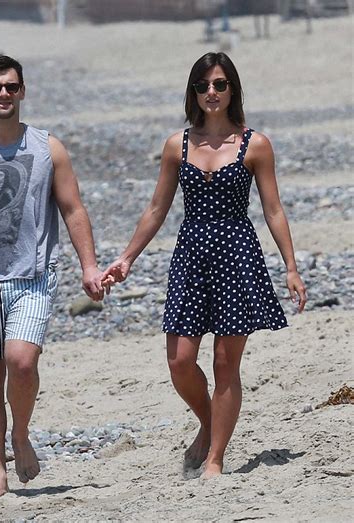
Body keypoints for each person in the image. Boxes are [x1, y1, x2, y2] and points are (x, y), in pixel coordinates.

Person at [102, 52, 307, 479]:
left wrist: (290, 265)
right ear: (192, 93)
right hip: (191, 255)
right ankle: (210, 420)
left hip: (237, 255)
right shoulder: (178, 144)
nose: (210, 93)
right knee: (179, 360)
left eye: (218, 84)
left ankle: (215, 458)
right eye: (202, 86)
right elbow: (157, 209)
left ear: (232, 89)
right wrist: (126, 258)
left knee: (224, 364)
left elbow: (273, 210)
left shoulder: (256, 144)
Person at [0, 54, 108, 502]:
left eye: (11, 86)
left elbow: (72, 208)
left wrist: (89, 265)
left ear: (23, 91)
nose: (4, 94)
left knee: (22, 363)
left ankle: (22, 433)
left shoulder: (48, 148)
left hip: (31, 276)